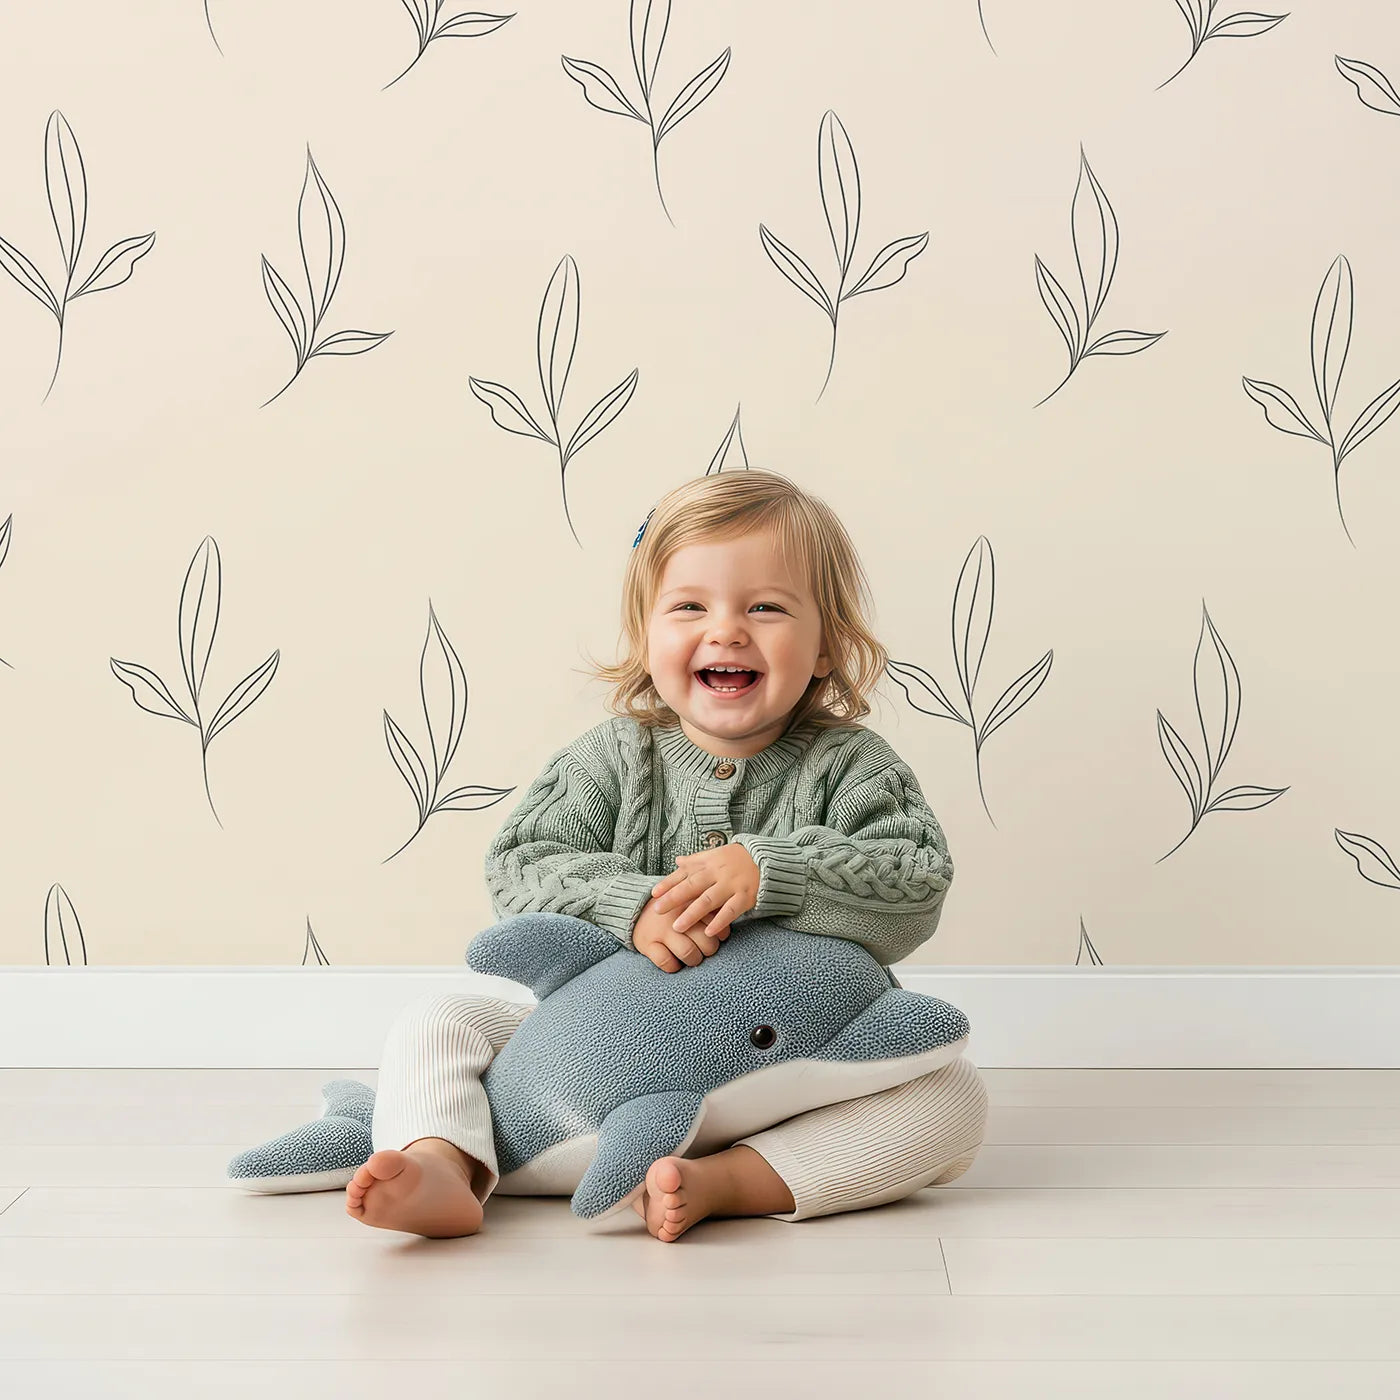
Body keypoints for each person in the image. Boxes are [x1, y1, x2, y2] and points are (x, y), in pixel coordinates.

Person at [346, 469, 990, 1241]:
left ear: (826, 648)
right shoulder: (614, 757)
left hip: (793, 1072)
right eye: (690, 607)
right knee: (441, 1018)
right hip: (602, 1062)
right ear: (646, 637)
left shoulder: (854, 765)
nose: (726, 631)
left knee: (953, 1097)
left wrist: (776, 871)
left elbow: (916, 882)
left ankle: (729, 1181)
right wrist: (632, 905)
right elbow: (520, 866)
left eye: (766, 607)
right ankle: (443, 1162)